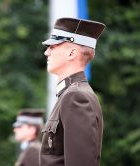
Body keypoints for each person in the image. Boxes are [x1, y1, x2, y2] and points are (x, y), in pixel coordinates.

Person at [40, 17, 106, 166]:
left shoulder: (76, 97)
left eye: (53, 46)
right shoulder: (70, 94)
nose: (46, 52)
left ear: (72, 53)